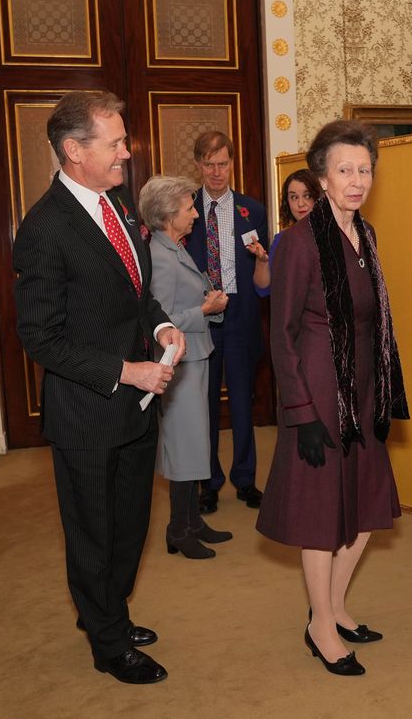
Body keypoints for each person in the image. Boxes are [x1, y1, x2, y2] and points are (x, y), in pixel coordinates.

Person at [12, 91, 186, 684]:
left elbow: (137, 292)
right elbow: (39, 337)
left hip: (135, 411)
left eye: (122, 140)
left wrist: (160, 324)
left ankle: (109, 613)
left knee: (130, 523)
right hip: (87, 413)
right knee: (93, 532)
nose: (125, 151)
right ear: (73, 151)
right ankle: (108, 643)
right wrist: (124, 369)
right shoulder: (45, 228)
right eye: (114, 143)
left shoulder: (117, 207)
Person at [256, 120, 408, 677]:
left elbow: (375, 321)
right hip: (318, 397)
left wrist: (385, 392)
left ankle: (337, 606)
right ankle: (321, 624)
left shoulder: (363, 235)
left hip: (363, 393)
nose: (356, 179)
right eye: (344, 169)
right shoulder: (297, 242)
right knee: (322, 516)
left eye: (364, 169)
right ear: (322, 177)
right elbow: (283, 333)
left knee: (365, 507)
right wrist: (300, 413)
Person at [139, 175, 232, 559]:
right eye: (189, 208)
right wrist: (204, 310)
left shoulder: (174, 247)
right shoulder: (159, 257)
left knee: (196, 442)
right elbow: (158, 319)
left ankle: (192, 521)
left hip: (195, 356)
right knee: (183, 445)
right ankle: (178, 528)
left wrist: (207, 305)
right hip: (178, 362)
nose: (196, 214)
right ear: (166, 216)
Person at [184, 131, 269, 514]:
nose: (217, 172)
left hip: (240, 316)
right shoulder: (185, 211)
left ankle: (245, 478)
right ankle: (209, 481)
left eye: (223, 163)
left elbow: (264, 268)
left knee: (241, 404)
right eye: (209, 164)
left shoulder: (254, 210)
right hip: (202, 317)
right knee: (202, 405)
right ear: (198, 166)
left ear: (232, 164)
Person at [252, 168, 322, 294]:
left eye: (307, 195)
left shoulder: (334, 235)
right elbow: (263, 289)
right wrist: (262, 262)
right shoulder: (282, 239)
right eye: (294, 197)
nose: (301, 203)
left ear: (318, 197)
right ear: (287, 202)